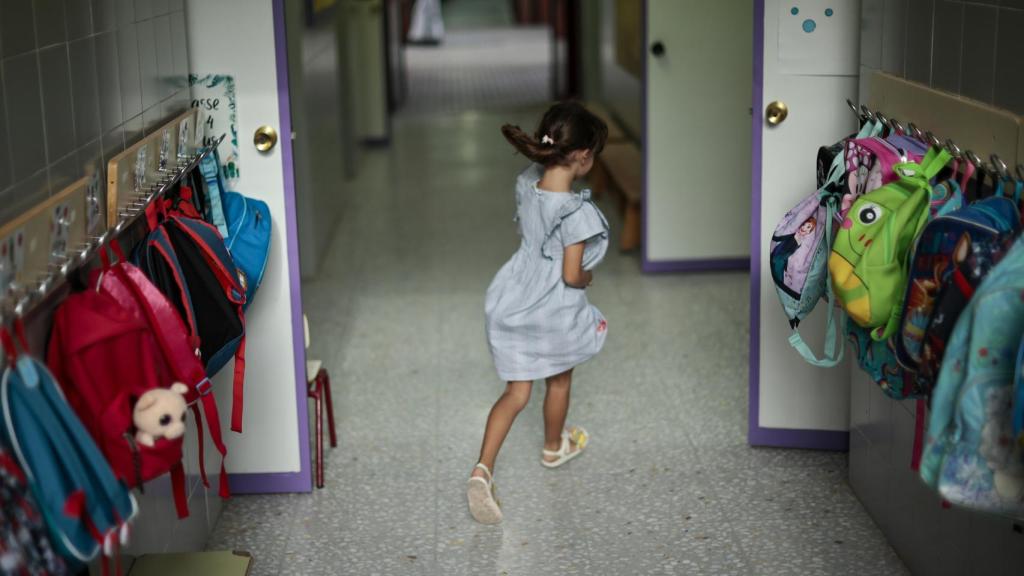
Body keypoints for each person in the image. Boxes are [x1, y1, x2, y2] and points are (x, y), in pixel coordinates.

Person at [467, 102, 610, 525]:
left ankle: (482, 470)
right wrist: (587, 279)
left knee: (516, 393)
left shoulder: (527, 183)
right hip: (552, 308)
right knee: (560, 379)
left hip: (513, 296)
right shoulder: (577, 213)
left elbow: (531, 235)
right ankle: (554, 447)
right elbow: (570, 275)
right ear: (583, 156)